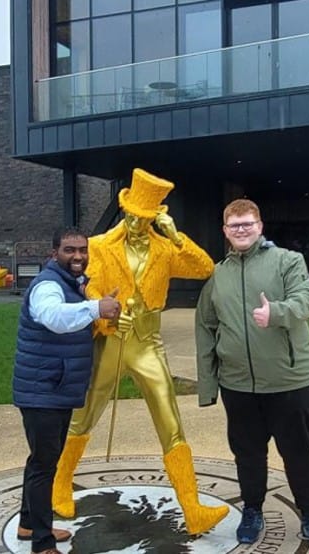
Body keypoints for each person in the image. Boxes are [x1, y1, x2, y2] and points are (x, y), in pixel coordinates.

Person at [51, 168, 229, 535]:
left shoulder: (165, 248)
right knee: (83, 417)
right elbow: (90, 291)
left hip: (149, 344)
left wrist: (177, 235)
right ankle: (59, 485)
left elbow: (205, 268)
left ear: (155, 217)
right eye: (132, 215)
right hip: (112, 342)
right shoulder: (99, 246)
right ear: (124, 211)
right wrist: (107, 319)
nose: (136, 223)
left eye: (144, 218)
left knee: (171, 424)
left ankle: (193, 508)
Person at [195, 199, 309, 552]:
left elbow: (307, 298)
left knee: (300, 454)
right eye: (234, 225)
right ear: (225, 231)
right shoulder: (218, 274)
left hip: (290, 381)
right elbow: (205, 327)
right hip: (239, 385)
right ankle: (253, 511)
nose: (241, 230)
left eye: (247, 223)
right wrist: (209, 384)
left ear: (260, 226)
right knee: (248, 455)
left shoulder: (288, 261)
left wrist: (276, 311)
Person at [12, 227, 121, 554]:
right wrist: (95, 308)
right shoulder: (48, 285)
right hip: (42, 390)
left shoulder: (71, 283)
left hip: (53, 388)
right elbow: (54, 318)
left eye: (82, 250)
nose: (78, 256)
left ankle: (29, 523)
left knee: (42, 461)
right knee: (45, 465)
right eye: (70, 250)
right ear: (54, 253)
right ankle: (42, 543)